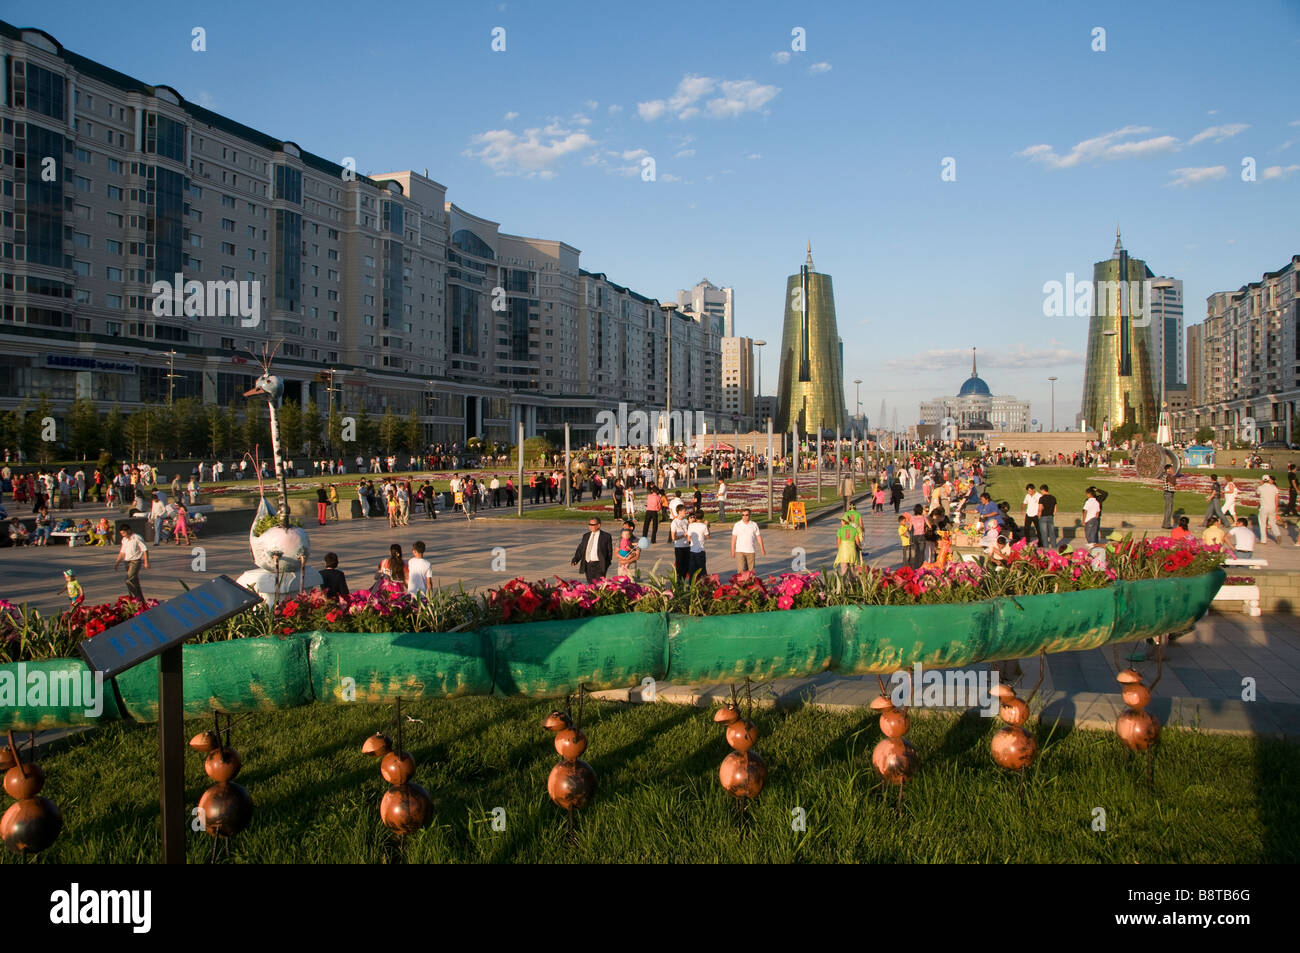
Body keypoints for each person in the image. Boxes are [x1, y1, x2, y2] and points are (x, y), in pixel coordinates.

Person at [114, 522, 149, 603]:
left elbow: (145, 550)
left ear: (129, 531)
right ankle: (139, 600)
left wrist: (146, 562)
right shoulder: (124, 540)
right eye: (121, 533)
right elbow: (122, 553)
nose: (123, 535)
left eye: (124, 533)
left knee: (128, 579)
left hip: (135, 562)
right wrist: (117, 562)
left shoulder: (137, 537)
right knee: (134, 582)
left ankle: (135, 598)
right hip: (127, 562)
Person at [571, 518, 613, 583]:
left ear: (598, 525)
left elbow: (609, 551)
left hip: (599, 564)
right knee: (591, 585)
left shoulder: (606, 536)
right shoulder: (586, 536)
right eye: (589, 524)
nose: (590, 526)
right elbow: (581, 549)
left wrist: (607, 563)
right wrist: (575, 559)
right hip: (588, 564)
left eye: (592, 524)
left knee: (599, 585)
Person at [730, 508, 765, 574]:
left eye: (746, 515)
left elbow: (758, 537)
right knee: (741, 570)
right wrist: (732, 550)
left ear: (750, 515)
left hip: (750, 551)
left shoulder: (754, 525)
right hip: (740, 551)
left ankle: (751, 583)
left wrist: (762, 549)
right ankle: (741, 583)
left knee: (751, 571)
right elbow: (733, 538)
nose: (744, 516)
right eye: (743, 515)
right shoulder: (737, 525)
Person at [1256, 474, 1283, 545]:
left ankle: (1263, 540)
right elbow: (1276, 499)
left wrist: (1260, 485)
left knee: (1262, 524)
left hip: (1264, 508)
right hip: (1272, 507)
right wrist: (1276, 508)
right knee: (1272, 523)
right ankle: (1277, 534)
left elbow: (1257, 494)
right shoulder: (1274, 487)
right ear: (1269, 480)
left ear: (1262, 480)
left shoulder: (1260, 488)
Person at [670, 506, 692, 582]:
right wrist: (683, 535)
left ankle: (683, 581)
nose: (685, 512)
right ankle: (678, 583)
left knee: (687, 566)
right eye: (684, 511)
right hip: (679, 547)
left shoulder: (686, 521)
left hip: (687, 546)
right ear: (679, 512)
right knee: (679, 566)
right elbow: (673, 537)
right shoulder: (674, 522)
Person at [686, 510, 710, 579]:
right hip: (700, 550)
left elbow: (688, 538)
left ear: (695, 517)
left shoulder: (691, 525)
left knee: (692, 570)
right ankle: (702, 586)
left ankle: (691, 586)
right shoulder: (703, 526)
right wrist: (707, 526)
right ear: (702, 517)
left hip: (692, 550)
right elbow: (708, 537)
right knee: (702, 570)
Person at [1161, 465, 1178, 529]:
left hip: (1169, 493)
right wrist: (1173, 476)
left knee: (1168, 509)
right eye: (1171, 469)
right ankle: (1166, 524)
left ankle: (1165, 523)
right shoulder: (1167, 476)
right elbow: (1172, 483)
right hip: (1168, 493)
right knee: (1168, 509)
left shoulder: (1168, 476)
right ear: (1168, 469)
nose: (1172, 470)